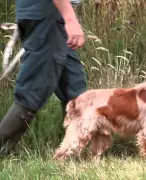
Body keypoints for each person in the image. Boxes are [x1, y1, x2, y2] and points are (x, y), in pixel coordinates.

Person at [0, 0, 87, 155]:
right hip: (48, 15)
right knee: (32, 92)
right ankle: (2, 148)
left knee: (75, 89)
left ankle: (73, 151)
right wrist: (70, 19)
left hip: (50, 15)